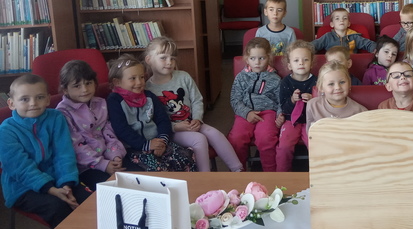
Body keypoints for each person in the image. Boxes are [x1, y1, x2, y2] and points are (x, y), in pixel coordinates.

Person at [0, 74, 92, 228]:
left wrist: (67, 184)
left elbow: (64, 154)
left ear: (48, 99)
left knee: (89, 200)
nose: (33, 103)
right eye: (24, 99)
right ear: (11, 103)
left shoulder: (56, 118)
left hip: (58, 178)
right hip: (22, 187)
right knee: (58, 208)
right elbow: (20, 168)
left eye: (40, 97)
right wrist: (51, 189)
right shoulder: (6, 131)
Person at [144, 36, 242, 172]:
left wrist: (197, 119)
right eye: (163, 58)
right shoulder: (148, 89)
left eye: (172, 58)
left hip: (192, 123)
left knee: (215, 133)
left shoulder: (183, 77)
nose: (169, 62)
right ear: (149, 60)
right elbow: (152, 120)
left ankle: (238, 170)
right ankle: (204, 177)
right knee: (199, 139)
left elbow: (197, 100)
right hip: (171, 131)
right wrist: (175, 127)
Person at [106, 54, 196, 172]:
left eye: (142, 77)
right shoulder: (114, 100)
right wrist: (147, 144)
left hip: (158, 141)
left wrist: (162, 141)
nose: (139, 82)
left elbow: (163, 120)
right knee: (159, 170)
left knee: (187, 157)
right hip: (134, 147)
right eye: (133, 78)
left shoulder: (149, 96)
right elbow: (121, 129)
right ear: (117, 82)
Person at [56, 60, 127, 189]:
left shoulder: (100, 103)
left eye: (88, 83)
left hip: (108, 156)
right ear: (65, 89)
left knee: (134, 178)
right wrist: (102, 164)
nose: (84, 90)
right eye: (77, 86)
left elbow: (108, 131)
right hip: (85, 166)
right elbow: (75, 145)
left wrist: (115, 155)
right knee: (111, 189)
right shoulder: (63, 112)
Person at [227, 37, 282, 171]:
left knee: (266, 138)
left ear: (268, 57)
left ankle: (270, 173)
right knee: (236, 139)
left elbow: (281, 100)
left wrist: (280, 114)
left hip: (268, 113)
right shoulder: (241, 77)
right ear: (247, 59)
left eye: (261, 58)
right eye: (253, 58)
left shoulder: (275, 79)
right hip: (245, 113)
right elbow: (235, 99)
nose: (257, 62)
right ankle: (239, 172)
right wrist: (246, 113)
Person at [276, 40, 317, 171]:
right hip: (290, 120)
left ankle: (318, 173)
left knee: (315, 146)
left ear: (312, 63)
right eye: (296, 60)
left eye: (305, 60)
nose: (301, 63)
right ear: (289, 65)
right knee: (284, 147)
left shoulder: (317, 81)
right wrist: (292, 100)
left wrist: (313, 99)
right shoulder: (285, 82)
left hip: (311, 121)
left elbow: (322, 105)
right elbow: (284, 108)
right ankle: (282, 174)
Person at [306, 62, 369, 134]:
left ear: (349, 83)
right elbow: (310, 134)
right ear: (321, 88)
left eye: (342, 82)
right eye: (331, 84)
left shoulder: (360, 111)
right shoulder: (313, 105)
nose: (337, 87)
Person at [311, 7, 375, 53]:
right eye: (337, 18)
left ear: (348, 23)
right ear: (332, 24)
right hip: (332, 64)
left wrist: (376, 50)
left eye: (345, 18)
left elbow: (369, 44)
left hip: (350, 62)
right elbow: (313, 46)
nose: (341, 20)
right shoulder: (327, 37)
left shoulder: (354, 36)